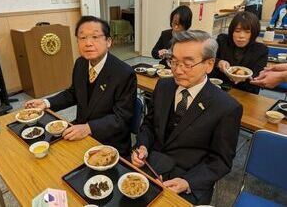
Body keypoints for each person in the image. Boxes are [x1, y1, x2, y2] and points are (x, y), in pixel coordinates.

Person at [131, 30, 243, 205]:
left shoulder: (227, 107)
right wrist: (142, 145)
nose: (177, 70)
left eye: (187, 63)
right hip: (152, 165)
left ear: (209, 64)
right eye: (173, 61)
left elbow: (221, 160)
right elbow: (149, 124)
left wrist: (188, 182)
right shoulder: (163, 86)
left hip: (189, 176)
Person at [25, 16, 137, 156]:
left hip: (109, 141)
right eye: (82, 38)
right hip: (79, 129)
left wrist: (88, 128)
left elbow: (121, 117)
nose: (88, 43)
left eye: (95, 37)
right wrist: (45, 102)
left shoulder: (124, 73)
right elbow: (73, 93)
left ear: (108, 41)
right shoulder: (80, 63)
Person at [210, 11, 268, 94]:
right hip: (219, 90)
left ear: (253, 33)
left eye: (247, 32)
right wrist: (219, 62)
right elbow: (207, 59)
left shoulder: (261, 50)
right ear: (232, 31)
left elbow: (258, 76)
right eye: (237, 31)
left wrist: (247, 77)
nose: (241, 36)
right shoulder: (222, 41)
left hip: (245, 92)